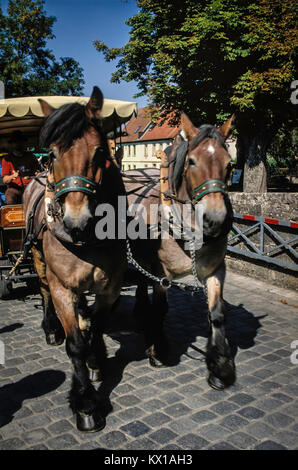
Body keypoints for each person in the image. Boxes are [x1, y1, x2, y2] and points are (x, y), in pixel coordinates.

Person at [2, 131, 41, 204]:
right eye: (16, 142)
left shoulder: (31, 156)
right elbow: (5, 180)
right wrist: (13, 176)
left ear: (24, 143)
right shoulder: (7, 159)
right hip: (15, 189)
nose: (18, 144)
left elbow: (38, 171)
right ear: (12, 144)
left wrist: (38, 174)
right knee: (10, 195)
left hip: (31, 187)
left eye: (20, 141)